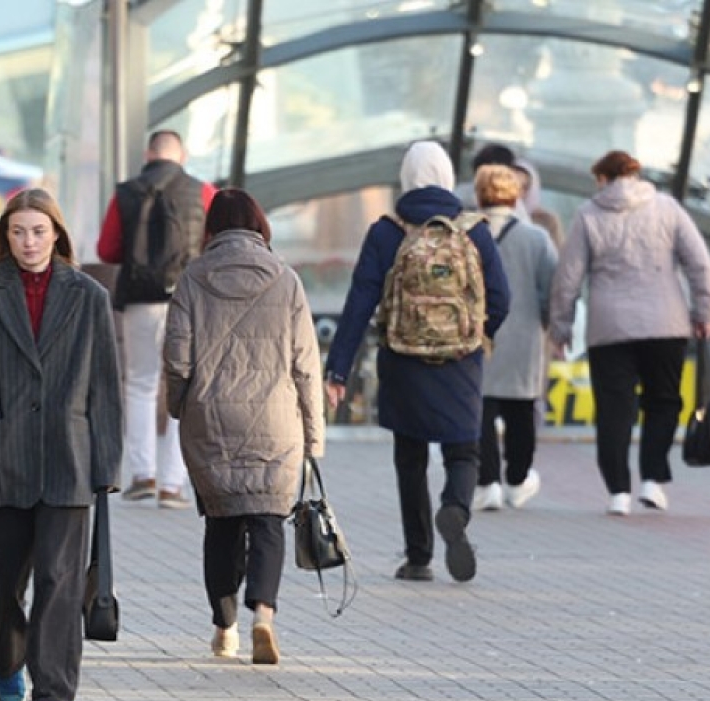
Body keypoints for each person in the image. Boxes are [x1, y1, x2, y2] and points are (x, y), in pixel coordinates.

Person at [0, 188, 123, 701]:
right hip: (1, 459)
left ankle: (54, 693)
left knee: (61, 579)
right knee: (4, 579)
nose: (29, 242)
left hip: (68, 457)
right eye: (18, 232)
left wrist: (106, 464)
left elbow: (106, 387)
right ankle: (6, 660)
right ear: (6, 237)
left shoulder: (88, 296)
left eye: (39, 231)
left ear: (57, 235)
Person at [325, 140, 510, 583]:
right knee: (464, 450)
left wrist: (337, 370)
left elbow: (359, 303)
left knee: (410, 457)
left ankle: (419, 556)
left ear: (406, 177)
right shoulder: (474, 231)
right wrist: (474, 335)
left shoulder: (388, 231)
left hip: (402, 359)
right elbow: (501, 298)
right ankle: (456, 508)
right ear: (447, 175)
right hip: (461, 361)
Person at [163, 189, 324, 665]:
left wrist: (179, 407)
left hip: (209, 417)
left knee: (222, 522)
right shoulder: (286, 280)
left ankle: (225, 627)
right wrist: (314, 438)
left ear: (210, 229)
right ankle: (264, 616)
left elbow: (177, 358)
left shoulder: (192, 279)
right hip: (276, 419)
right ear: (260, 224)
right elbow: (306, 366)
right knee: (269, 520)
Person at [549, 150, 710, 515]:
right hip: (666, 322)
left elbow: (568, 278)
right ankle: (653, 481)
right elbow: (699, 263)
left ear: (603, 178)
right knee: (663, 400)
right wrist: (703, 312)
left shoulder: (588, 214)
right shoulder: (668, 208)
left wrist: (561, 328)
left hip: (609, 326)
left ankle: (618, 493)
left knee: (613, 408)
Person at [97, 129, 216, 509]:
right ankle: (172, 485)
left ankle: (142, 475)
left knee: (140, 385)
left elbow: (107, 249)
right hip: (188, 302)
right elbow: (214, 244)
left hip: (140, 301)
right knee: (185, 386)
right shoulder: (203, 192)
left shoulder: (126, 192)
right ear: (183, 154)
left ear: (149, 152)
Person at [472, 164, 559, 511]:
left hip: (479, 336)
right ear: (517, 195)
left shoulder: (466, 235)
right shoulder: (536, 238)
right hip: (524, 334)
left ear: (479, 195)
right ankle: (517, 478)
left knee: (480, 411)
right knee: (521, 412)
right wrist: (549, 322)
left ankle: (487, 481)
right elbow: (552, 287)